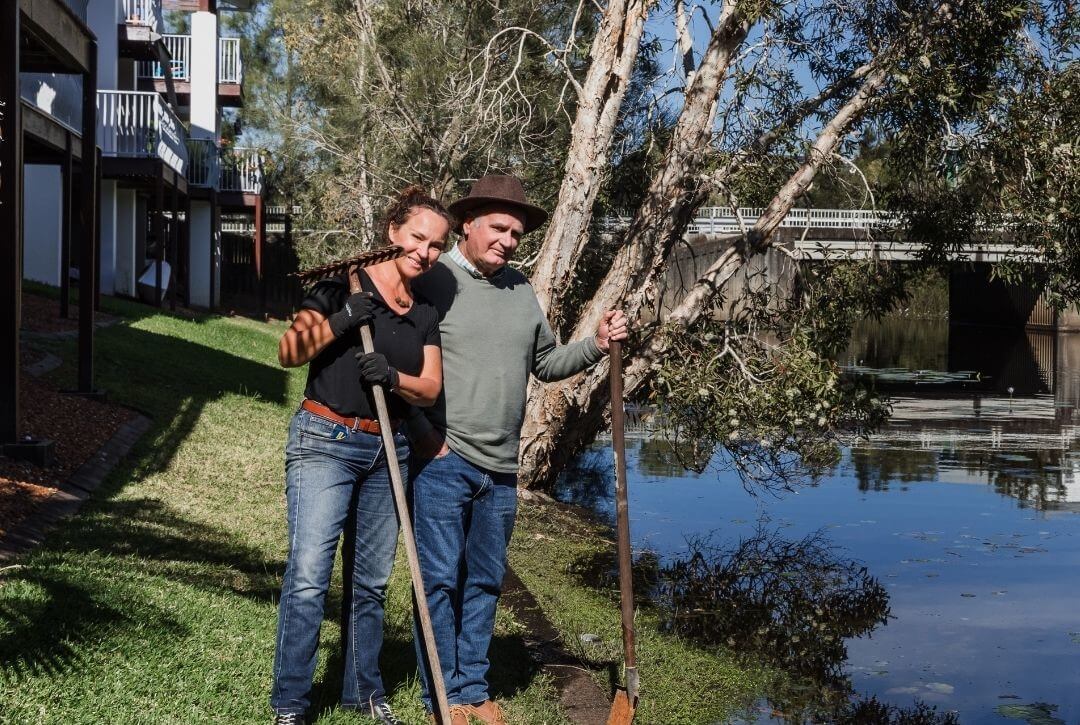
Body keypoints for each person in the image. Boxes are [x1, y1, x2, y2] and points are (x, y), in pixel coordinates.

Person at [407, 174, 629, 724]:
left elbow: (547, 364)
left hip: (500, 472)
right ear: (469, 223)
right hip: (444, 461)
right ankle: (442, 697)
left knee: (484, 581)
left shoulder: (521, 291)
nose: (508, 240)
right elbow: (402, 362)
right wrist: (427, 438)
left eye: (517, 233)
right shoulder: (434, 281)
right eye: (499, 228)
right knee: (437, 581)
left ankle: (473, 689)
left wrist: (597, 346)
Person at [270, 186, 453, 725]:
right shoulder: (336, 287)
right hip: (325, 440)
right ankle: (291, 704)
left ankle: (364, 692)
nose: (425, 252)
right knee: (309, 574)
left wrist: (394, 378)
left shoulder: (422, 312)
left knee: (370, 581)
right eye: (417, 238)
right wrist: (346, 316)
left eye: (437, 245)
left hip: (388, 449)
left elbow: (430, 388)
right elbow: (289, 353)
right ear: (393, 231)